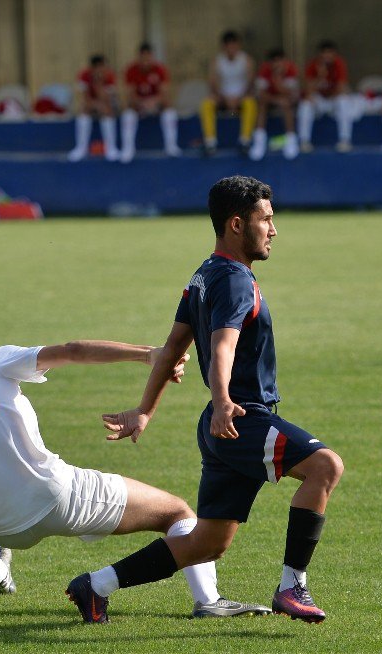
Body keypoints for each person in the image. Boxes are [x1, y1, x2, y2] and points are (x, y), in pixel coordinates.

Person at [0, 326, 271, 621]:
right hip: (55, 497)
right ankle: (207, 600)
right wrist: (149, 355)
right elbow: (73, 350)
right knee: (177, 512)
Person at [99, 176, 344, 624]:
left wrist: (144, 411)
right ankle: (293, 586)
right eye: (265, 220)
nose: (273, 230)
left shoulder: (203, 275)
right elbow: (223, 346)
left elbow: (173, 348)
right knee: (325, 467)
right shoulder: (233, 280)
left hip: (221, 423)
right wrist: (225, 399)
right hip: (239, 418)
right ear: (237, 223)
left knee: (206, 543)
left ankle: (96, 586)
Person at [120, 43, 182, 163]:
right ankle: (128, 149)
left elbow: (165, 93)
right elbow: (129, 94)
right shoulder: (131, 70)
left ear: (152, 57)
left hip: (155, 105)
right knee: (128, 114)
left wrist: (154, 102)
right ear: (138, 57)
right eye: (143, 58)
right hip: (139, 106)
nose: (145, 62)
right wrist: (142, 103)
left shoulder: (160, 69)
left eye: (148, 58)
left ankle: (171, 146)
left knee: (170, 112)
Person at [199, 31, 257, 156]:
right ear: (224, 47)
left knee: (250, 103)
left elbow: (251, 82)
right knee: (206, 104)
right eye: (229, 46)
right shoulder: (216, 61)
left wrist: (239, 98)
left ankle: (245, 141)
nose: (232, 49)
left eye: (234, 46)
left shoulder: (246, 60)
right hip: (223, 97)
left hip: (241, 97)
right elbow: (213, 83)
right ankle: (210, 142)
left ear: (239, 45)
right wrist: (224, 98)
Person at [297, 40, 356, 153]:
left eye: (330, 53)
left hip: (333, 99)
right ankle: (304, 141)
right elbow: (308, 91)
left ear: (335, 54)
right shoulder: (312, 65)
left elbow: (342, 88)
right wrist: (320, 76)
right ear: (320, 54)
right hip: (319, 101)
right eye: (325, 53)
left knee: (344, 101)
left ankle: (345, 140)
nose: (327, 56)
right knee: (305, 104)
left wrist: (332, 95)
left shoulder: (339, 63)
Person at [249, 49, 300, 161]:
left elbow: (292, 95)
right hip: (269, 99)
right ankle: (259, 141)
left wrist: (278, 82)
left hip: (285, 100)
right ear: (270, 63)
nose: (277, 64)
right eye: (274, 62)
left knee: (287, 104)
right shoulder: (264, 70)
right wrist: (276, 100)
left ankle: (291, 139)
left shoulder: (291, 70)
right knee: (261, 105)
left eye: (280, 61)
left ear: (284, 61)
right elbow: (260, 94)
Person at [68, 54, 119, 162]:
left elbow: (107, 100)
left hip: (107, 104)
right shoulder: (84, 75)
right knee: (83, 111)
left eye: (104, 67)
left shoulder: (109, 76)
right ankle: (81, 148)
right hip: (91, 104)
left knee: (107, 112)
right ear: (93, 68)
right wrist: (95, 105)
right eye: (100, 67)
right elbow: (83, 97)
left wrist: (98, 83)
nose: (103, 70)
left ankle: (111, 148)